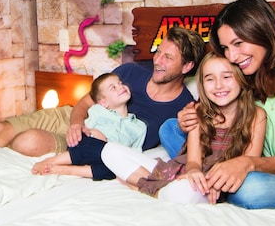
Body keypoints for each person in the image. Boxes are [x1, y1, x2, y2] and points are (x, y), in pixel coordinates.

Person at [0, 25, 206, 160]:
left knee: (25, 143)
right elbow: (86, 101)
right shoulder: (131, 73)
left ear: (188, 67)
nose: (158, 61)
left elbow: (188, 149)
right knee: (0, 129)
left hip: (94, 143)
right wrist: (75, 122)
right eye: (159, 52)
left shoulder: (184, 107)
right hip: (73, 118)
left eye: (168, 58)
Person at [161, 0, 275, 215]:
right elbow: (216, 110)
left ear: (263, 32)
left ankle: (211, 179)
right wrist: (190, 118)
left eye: (238, 43)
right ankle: (206, 175)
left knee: (249, 188)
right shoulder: (248, 72)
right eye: (225, 47)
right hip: (247, 159)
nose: (232, 56)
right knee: (170, 127)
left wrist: (246, 164)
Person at [101, 53, 265, 204]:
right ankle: (158, 187)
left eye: (227, 77)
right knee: (109, 151)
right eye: (210, 79)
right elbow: (193, 160)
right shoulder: (198, 111)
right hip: (183, 171)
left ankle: (144, 188)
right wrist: (193, 171)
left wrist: (214, 181)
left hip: (213, 182)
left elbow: (247, 164)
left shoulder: (256, 115)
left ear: (241, 79)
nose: (218, 85)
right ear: (202, 85)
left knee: (183, 193)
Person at [31, 72, 146, 179]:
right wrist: (93, 133)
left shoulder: (139, 127)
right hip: (87, 147)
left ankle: (67, 170)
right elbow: (85, 131)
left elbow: (134, 154)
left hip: (107, 157)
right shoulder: (98, 111)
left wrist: (112, 149)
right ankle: (51, 161)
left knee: (117, 169)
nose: (121, 87)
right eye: (113, 87)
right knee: (90, 144)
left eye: (120, 83)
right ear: (103, 103)